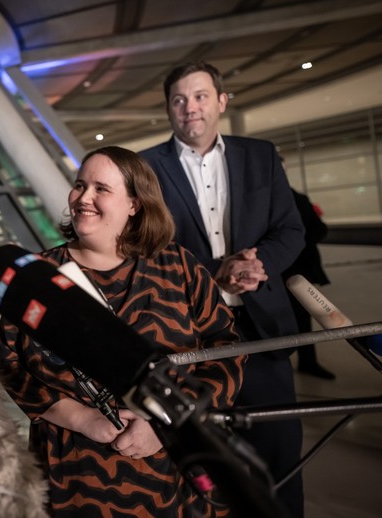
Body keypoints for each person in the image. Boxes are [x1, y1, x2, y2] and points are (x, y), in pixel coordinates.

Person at [0, 146, 244, 517]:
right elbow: (11, 365)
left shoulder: (180, 267)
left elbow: (226, 349)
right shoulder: (38, 276)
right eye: (80, 185)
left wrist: (166, 423)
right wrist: (83, 418)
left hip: (174, 474)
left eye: (101, 188)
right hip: (72, 479)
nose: (84, 198)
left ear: (135, 204)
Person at [140, 62, 306, 517]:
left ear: (221, 102)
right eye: (178, 99)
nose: (189, 107)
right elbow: (147, 249)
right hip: (189, 335)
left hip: (262, 330)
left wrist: (257, 266)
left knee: (279, 457)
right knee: (201, 463)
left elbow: (291, 230)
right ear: (168, 109)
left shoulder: (261, 155)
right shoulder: (147, 169)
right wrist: (217, 271)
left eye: (199, 97)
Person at [281, 161, 334, 379]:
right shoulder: (267, 201)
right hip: (279, 270)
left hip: (297, 269)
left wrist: (294, 243)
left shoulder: (297, 199)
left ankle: (307, 361)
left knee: (302, 318)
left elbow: (319, 230)